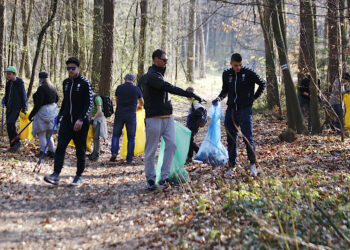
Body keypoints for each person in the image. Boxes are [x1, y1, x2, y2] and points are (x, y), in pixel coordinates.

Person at [138, 49, 203, 191]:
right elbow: (169, 88)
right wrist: (190, 94)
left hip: (168, 118)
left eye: (167, 59)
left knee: (172, 145)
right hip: (154, 118)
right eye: (164, 59)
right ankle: (150, 179)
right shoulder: (150, 77)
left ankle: (163, 178)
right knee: (150, 150)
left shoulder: (161, 75)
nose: (166, 62)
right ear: (156, 59)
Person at [212, 53, 266, 177]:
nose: (238, 68)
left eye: (240, 65)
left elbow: (262, 83)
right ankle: (232, 166)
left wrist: (254, 98)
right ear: (231, 63)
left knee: (248, 138)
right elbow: (225, 90)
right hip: (231, 110)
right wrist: (219, 99)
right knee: (231, 139)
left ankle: (253, 164)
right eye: (236, 65)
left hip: (245, 110)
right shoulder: (226, 74)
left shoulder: (249, 73)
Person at [44, 57, 92, 187]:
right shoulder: (66, 83)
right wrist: (59, 116)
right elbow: (65, 102)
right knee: (60, 147)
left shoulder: (85, 83)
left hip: (81, 122)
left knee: (80, 150)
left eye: (73, 68)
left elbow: (89, 103)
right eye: (68, 68)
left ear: (78, 68)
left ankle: (79, 176)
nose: (70, 70)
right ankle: (55, 174)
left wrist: (81, 119)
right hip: (66, 122)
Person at [110, 73, 143, 164]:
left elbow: (116, 100)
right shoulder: (136, 89)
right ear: (134, 80)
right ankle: (129, 159)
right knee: (131, 137)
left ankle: (114, 153)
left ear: (125, 79)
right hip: (131, 115)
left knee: (116, 135)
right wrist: (138, 107)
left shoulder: (119, 87)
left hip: (119, 114)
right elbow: (142, 102)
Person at [29, 72, 59, 158]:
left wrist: (31, 115)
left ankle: (43, 152)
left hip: (43, 112)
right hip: (53, 111)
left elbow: (38, 104)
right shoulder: (52, 88)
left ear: (40, 78)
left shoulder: (41, 89)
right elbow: (57, 99)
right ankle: (52, 151)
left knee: (41, 133)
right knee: (49, 134)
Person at [3, 66, 27, 152]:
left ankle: (17, 142)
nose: (8, 76)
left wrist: (24, 107)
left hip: (16, 107)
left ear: (14, 74)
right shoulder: (8, 83)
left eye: (9, 74)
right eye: (7, 74)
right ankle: (13, 144)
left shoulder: (19, 82)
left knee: (11, 123)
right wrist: (4, 100)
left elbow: (23, 95)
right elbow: (7, 94)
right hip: (9, 107)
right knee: (9, 126)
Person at [185, 87, 205, 163]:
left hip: (194, 125)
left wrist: (191, 115)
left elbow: (201, 110)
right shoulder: (193, 101)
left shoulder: (195, 102)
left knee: (189, 140)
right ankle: (189, 157)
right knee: (189, 140)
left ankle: (199, 152)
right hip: (192, 124)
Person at [88, 91, 107, 161]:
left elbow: (100, 111)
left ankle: (96, 154)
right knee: (94, 137)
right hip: (94, 119)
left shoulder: (97, 98)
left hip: (99, 119)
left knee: (96, 137)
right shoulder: (90, 98)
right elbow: (90, 110)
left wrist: (93, 119)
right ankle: (94, 152)